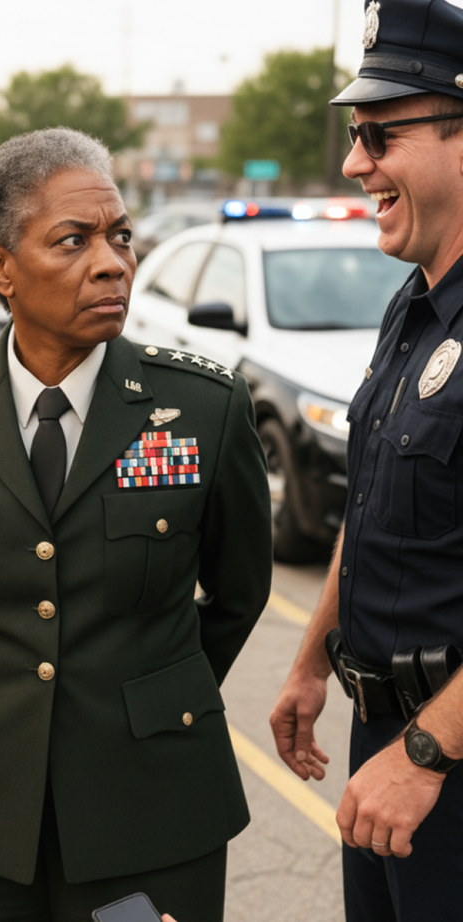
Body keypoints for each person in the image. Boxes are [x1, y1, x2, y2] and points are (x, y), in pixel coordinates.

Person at [0, 127, 272, 922]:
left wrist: (148, 696)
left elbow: (240, 591)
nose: (112, 262)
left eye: (119, 236)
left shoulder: (204, 407)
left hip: (152, 804)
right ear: (1, 269)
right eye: (73, 240)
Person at [270, 1, 463, 919]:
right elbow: (375, 506)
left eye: (381, 134)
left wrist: (426, 754)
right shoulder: (412, 305)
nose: (355, 162)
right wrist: (314, 659)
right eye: (355, 135)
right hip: (385, 735)